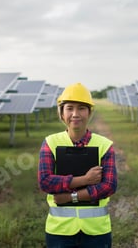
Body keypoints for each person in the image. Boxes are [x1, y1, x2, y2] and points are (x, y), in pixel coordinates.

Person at [38, 82, 117, 248]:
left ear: (89, 112)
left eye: (81, 108)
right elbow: (45, 182)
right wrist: (85, 179)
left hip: (96, 231)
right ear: (61, 113)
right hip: (60, 231)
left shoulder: (104, 145)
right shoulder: (50, 143)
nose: (75, 114)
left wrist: (68, 197)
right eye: (69, 108)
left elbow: (108, 186)